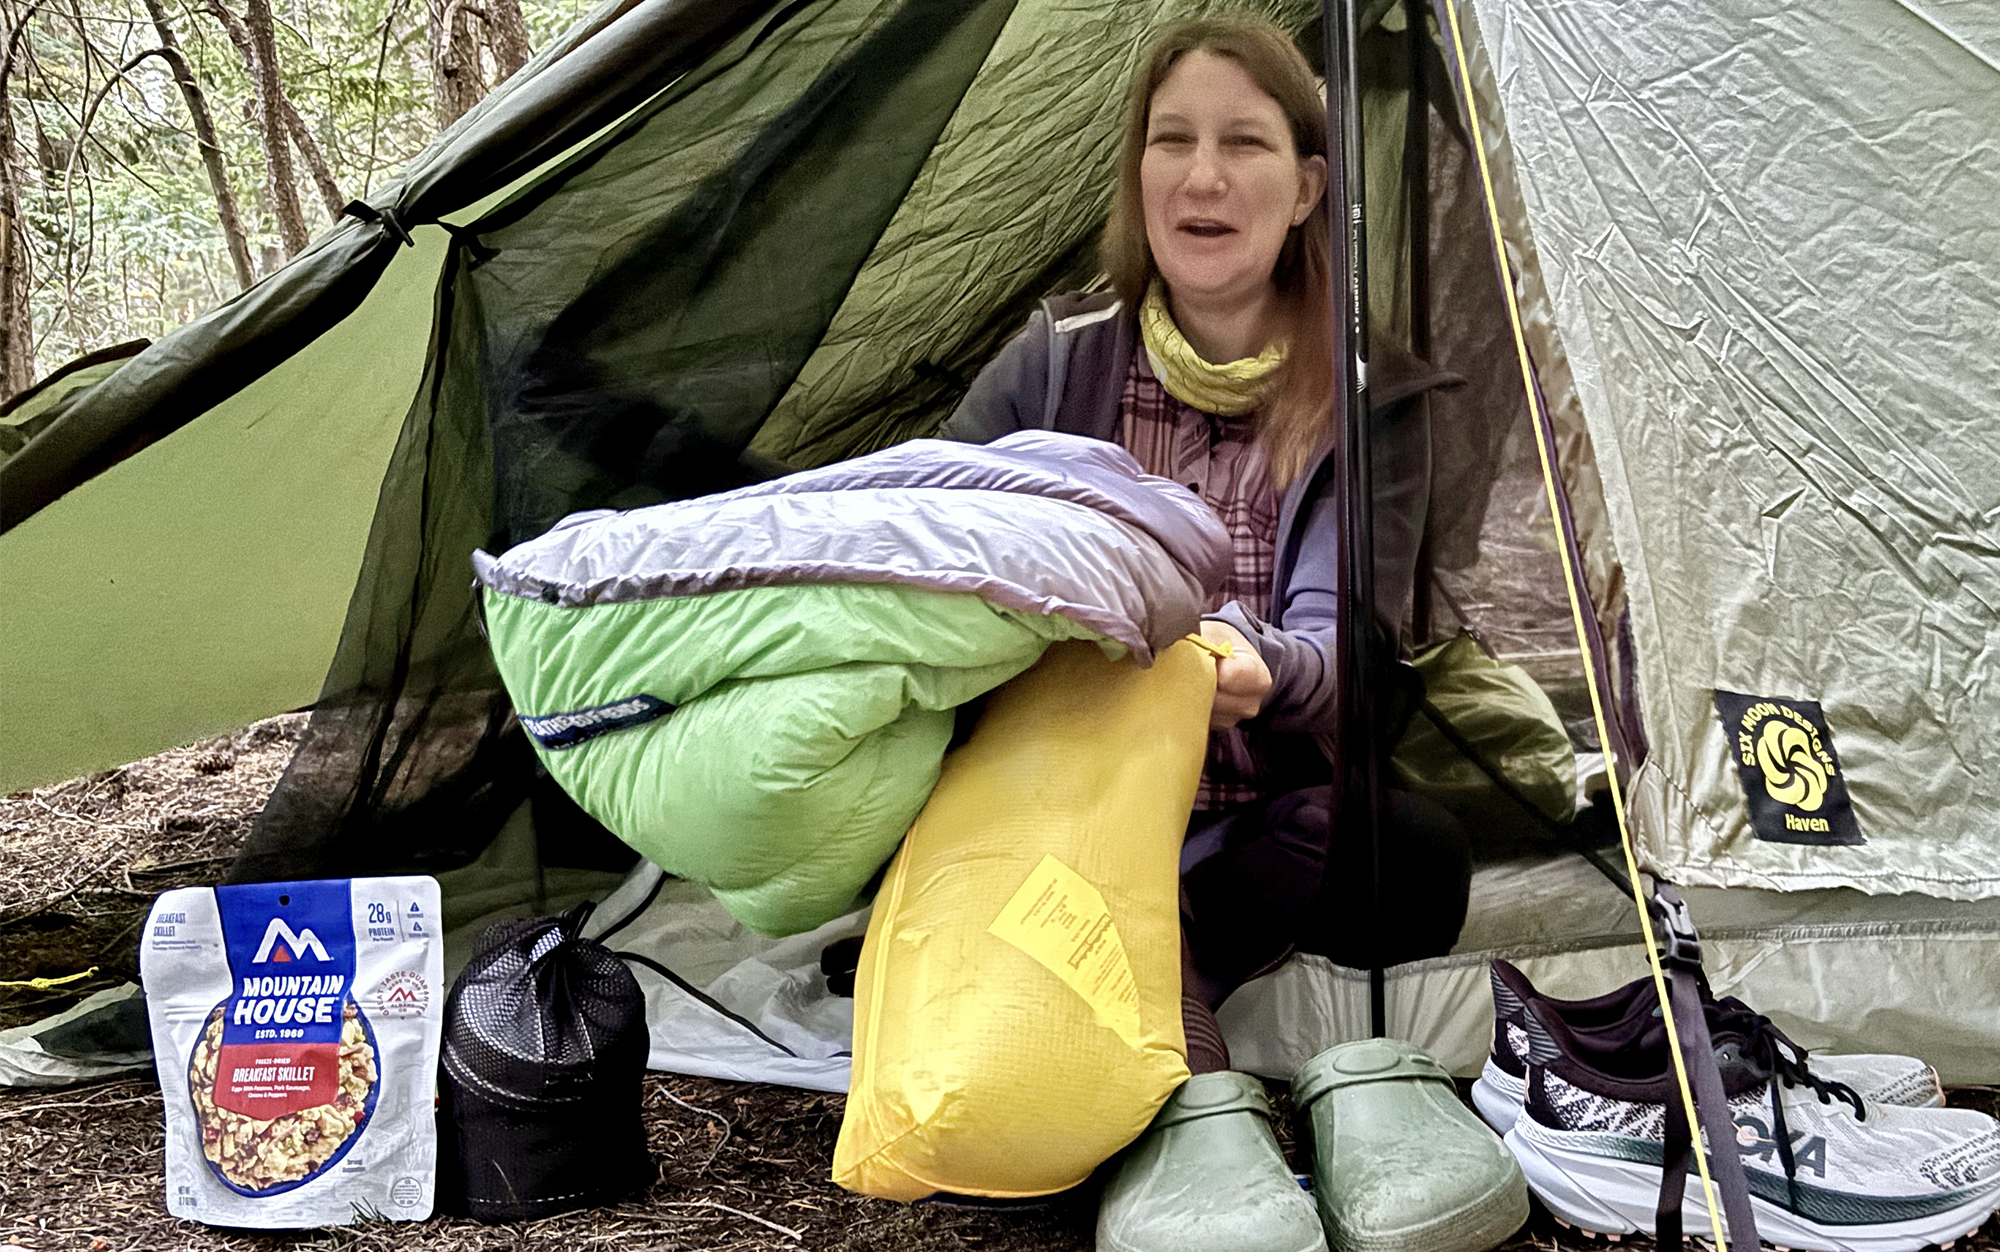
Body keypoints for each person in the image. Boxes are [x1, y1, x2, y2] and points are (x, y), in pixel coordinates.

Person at [944, 15, 1474, 1252]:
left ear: (1307, 186)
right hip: (1068, 790)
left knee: (1407, 851)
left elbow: (1345, 651)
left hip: (1260, 805)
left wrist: (1259, 666)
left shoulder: (1368, 394)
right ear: (1136, 174)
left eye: (1243, 142)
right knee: (1027, 837)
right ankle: (1191, 1098)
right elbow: (922, 542)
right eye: (1170, 140)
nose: (1202, 175)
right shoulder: (1056, 362)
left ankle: (1102, 963)